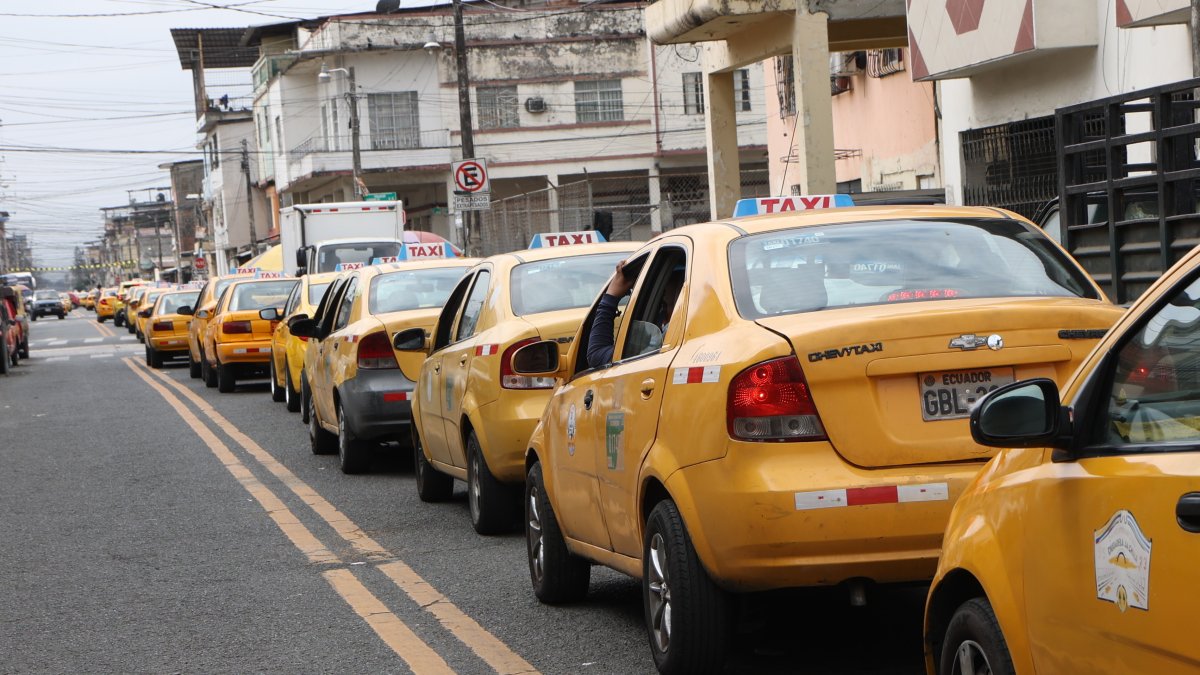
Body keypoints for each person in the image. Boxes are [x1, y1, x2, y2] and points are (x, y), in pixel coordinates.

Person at [587, 261, 684, 369]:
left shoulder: (660, 338)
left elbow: (596, 355)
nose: (667, 283)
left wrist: (611, 297)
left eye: (674, 278)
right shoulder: (656, 315)